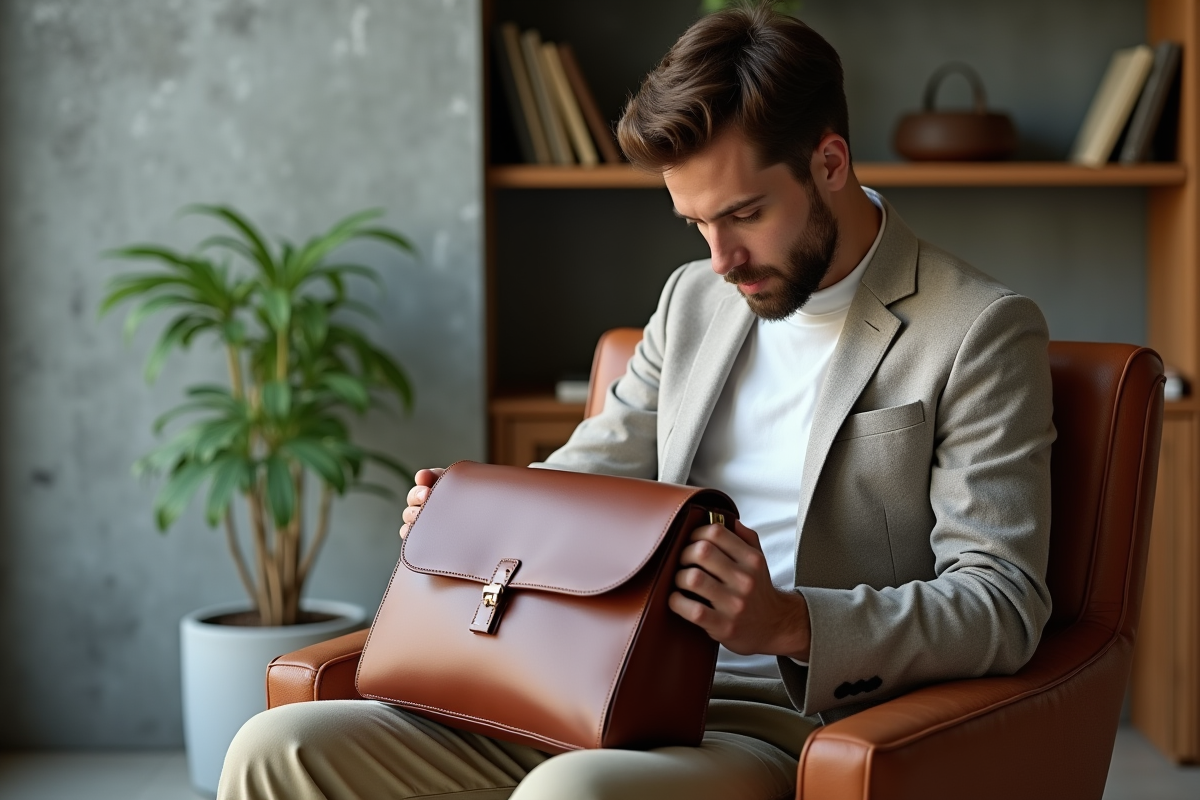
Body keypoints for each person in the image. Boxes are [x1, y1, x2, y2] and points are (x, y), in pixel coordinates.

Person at [218, 5, 1054, 799]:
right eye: (695, 223)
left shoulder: (976, 329)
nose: (722, 259)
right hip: (597, 681)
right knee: (273, 751)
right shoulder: (693, 301)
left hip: (781, 720)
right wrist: (472, 517)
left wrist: (787, 622)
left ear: (830, 163)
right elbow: (584, 476)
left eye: (744, 215)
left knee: (571, 792)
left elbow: (1001, 603)